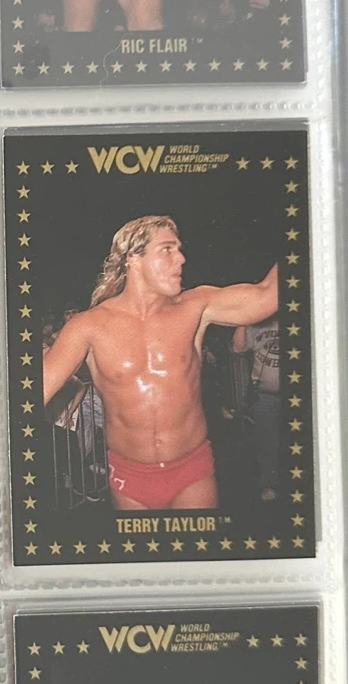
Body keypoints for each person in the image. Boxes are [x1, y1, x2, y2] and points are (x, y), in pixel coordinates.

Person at [43, 216, 278, 510]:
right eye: (167, 249)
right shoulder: (88, 326)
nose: (181, 258)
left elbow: (268, 296)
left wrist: (313, 223)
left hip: (192, 470)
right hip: (129, 477)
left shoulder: (196, 306)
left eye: (179, 249)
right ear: (133, 258)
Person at [233, 317, 280, 501]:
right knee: (267, 442)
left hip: (297, 395)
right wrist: (243, 319)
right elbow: (238, 348)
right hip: (265, 395)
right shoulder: (256, 325)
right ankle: (269, 485)